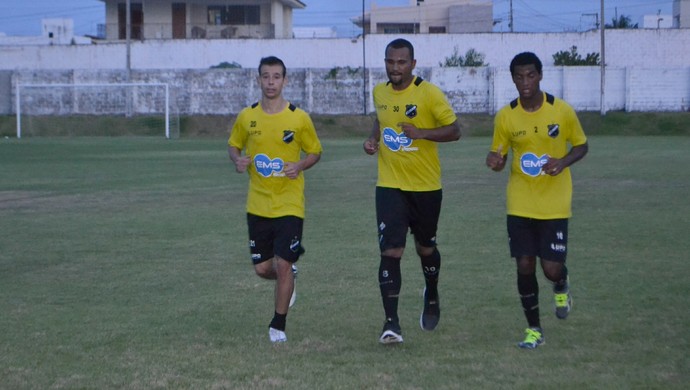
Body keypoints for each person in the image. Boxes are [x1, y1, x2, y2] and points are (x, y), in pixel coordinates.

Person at [485, 52, 588, 349]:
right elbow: (500, 157)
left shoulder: (562, 111)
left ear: (540, 75)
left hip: (555, 202)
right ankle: (534, 330)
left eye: (530, 75)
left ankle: (561, 285)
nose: (525, 82)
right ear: (513, 78)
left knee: (551, 268)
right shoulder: (506, 116)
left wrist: (563, 162)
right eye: (519, 76)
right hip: (520, 201)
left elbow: (582, 145)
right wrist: (495, 161)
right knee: (525, 265)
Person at [363, 38, 461, 344]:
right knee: (390, 251)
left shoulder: (429, 93)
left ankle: (431, 292)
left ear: (413, 64)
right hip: (389, 185)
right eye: (390, 61)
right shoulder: (379, 92)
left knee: (425, 249)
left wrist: (422, 133)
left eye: (401, 62)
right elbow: (380, 120)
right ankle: (391, 323)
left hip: (426, 187)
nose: (395, 67)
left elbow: (455, 130)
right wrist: (372, 140)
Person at [228, 56, 322, 343]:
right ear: (259, 79)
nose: (271, 82)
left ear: (285, 80)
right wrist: (237, 159)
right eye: (266, 76)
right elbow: (234, 144)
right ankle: (289, 277)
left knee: (282, 264)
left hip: (289, 204)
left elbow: (315, 151)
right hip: (257, 204)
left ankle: (277, 326)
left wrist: (300, 166)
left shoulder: (298, 117)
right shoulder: (247, 116)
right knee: (262, 269)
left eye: (276, 77)